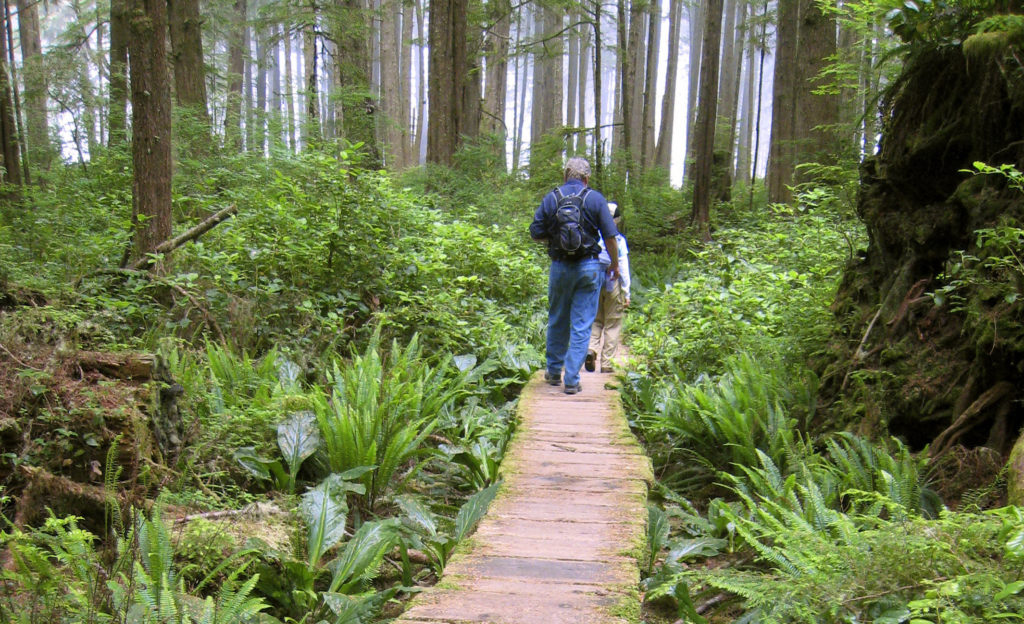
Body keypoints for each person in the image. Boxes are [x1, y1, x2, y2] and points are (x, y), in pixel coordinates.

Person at [529, 157, 619, 395]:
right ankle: (571, 379)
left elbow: (535, 232)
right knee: (582, 323)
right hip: (589, 267)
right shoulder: (596, 199)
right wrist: (615, 265)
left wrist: (557, 235)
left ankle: (552, 371)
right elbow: (610, 237)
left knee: (558, 317)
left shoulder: (552, 198)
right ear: (586, 178)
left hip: (559, 266)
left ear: (565, 175)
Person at [586, 202, 631, 373]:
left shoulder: (592, 237)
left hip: (594, 281)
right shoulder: (618, 240)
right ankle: (606, 363)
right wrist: (627, 292)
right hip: (613, 284)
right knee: (613, 323)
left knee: (595, 320)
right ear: (617, 220)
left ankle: (591, 349)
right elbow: (623, 268)